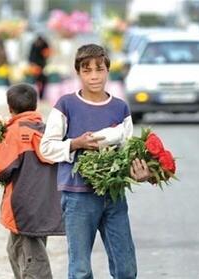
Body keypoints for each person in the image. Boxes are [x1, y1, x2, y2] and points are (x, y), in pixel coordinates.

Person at [40, 44, 150, 278]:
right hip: (78, 196)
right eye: (87, 70)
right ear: (78, 73)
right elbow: (46, 149)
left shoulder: (120, 108)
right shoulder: (66, 105)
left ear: (107, 71)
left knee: (126, 269)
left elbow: (127, 151)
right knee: (80, 270)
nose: (94, 76)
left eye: (99, 70)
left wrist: (139, 172)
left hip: (114, 196)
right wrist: (76, 144)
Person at [0, 84, 64, 278]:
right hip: (43, 206)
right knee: (17, 251)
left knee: (32, 261)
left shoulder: (15, 134)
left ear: (10, 108)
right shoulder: (45, 131)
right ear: (35, 105)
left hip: (23, 208)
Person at [28, 35, 50, 99]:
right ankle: (39, 96)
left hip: (41, 66)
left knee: (40, 82)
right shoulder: (35, 44)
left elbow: (47, 54)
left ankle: (40, 96)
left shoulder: (39, 44)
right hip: (37, 66)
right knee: (36, 82)